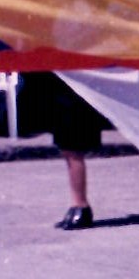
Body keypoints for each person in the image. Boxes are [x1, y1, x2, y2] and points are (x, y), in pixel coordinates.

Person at [47, 76, 105, 230]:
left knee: (73, 151)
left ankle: (81, 205)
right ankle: (76, 204)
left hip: (74, 93)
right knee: (67, 150)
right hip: (62, 89)